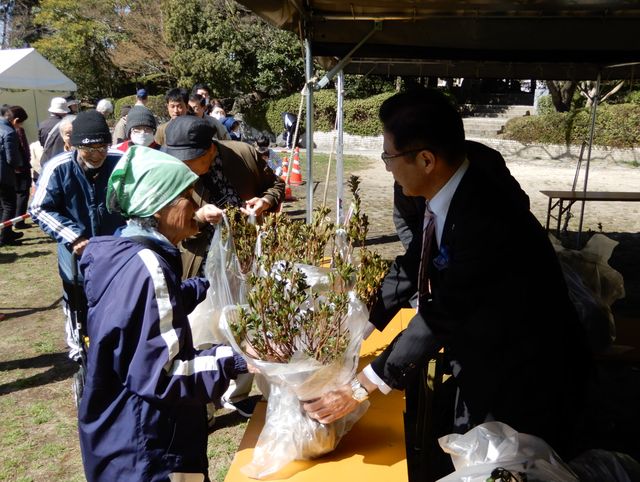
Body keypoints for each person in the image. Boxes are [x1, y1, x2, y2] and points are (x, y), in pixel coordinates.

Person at [302, 89, 590, 476]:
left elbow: (444, 312)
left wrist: (359, 387)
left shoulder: (484, 215)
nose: (386, 167)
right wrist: (354, 327)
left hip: (529, 371)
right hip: (486, 352)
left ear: (426, 159)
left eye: (389, 156)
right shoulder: (450, 187)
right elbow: (413, 262)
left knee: (510, 468)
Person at [78, 145, 249, 482]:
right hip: (151, 450)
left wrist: (205, 285)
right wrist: (238, 357)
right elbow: (166, 374)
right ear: (159, 207)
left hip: (122, 437)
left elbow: (145, 314)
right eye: (186, 195)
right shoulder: (148, 267)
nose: (196, 205)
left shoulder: (124, 253)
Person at [163, 116, 285, 416]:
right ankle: (202, 406)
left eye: (192, 159)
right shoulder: (169, 169)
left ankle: (245, 393)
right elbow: (164, 218)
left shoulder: (243, 155)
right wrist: (196, 217)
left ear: (211, 151)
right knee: (200, 331)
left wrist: (266, 201)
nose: (185, 166)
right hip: (200, 261)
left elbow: (277, 183)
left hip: (246, 258)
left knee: (247, 323)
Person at [29, 110, 126, 361]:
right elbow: (39, 208)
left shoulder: (121, 161)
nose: (98, 154)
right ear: (73, 145)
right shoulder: (57, 167)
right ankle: (78, 349)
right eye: (90, 149)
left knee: (118, 297)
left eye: (103, 146)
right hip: (74, 251)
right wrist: (73, 236)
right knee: (77, 299)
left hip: (114, 248)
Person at [0, 105, 24, 246]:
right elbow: (11, 158)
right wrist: (18, 166)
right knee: (9, 205)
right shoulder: (9, 132)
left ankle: (5, 232)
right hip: (4, 174)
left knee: (2, 206)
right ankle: (5, 236)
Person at [8, 106, 32, 229]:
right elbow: (23, 149)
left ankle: (13, 220)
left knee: (14, 195)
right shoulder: (17, 131)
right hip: (20, 167)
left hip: (11, 168)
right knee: (23, 194)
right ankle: (19, 221)